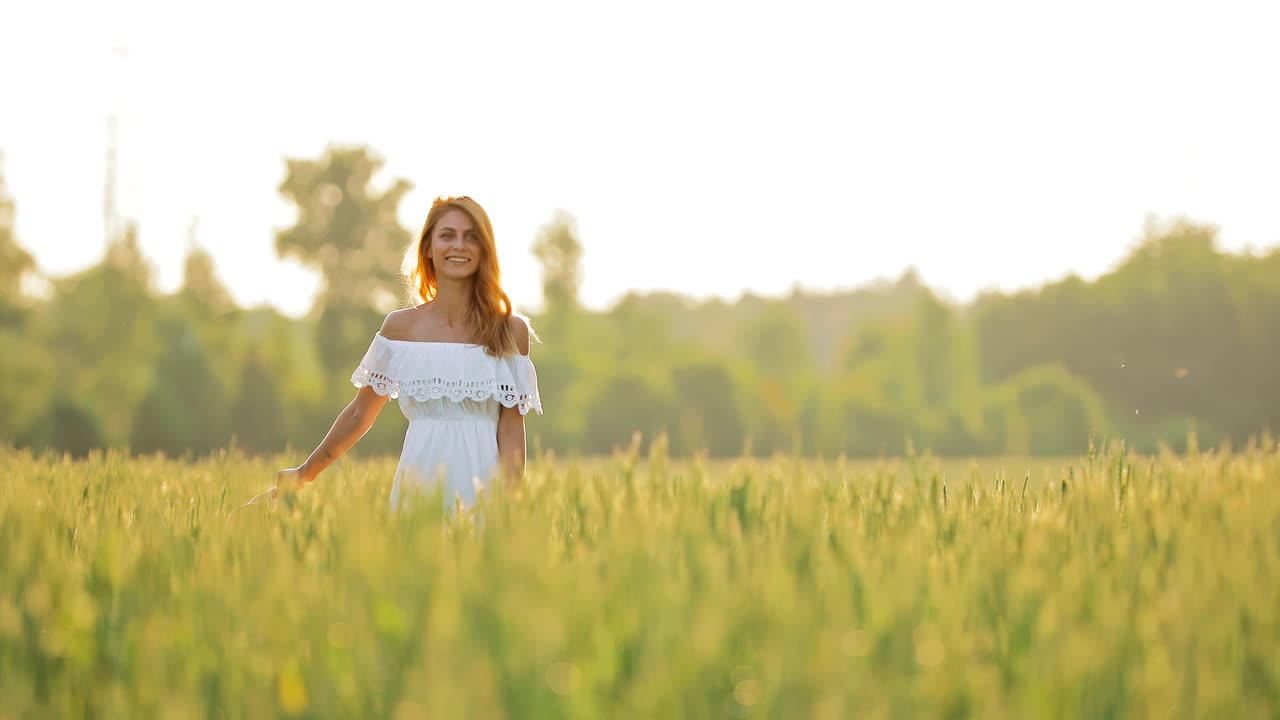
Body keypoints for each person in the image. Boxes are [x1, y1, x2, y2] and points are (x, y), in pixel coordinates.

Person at [275, 195, 542, 512]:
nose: (459, 245)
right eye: (447, 235)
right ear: (428, 247)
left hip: (484, 491)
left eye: (471, 237)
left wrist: (512, 507)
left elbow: (511, 427)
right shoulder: (399, 329)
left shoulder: (510, 331)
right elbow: (360, 415)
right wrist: (305, 473)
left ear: (485, 249)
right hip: (417, 488)